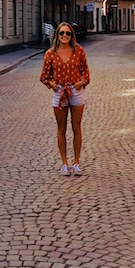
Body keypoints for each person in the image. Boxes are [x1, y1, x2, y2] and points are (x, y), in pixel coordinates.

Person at [40, 22, 90, 176]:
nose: (64, 36)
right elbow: (44, 76)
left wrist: (81, 82)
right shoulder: (50, 53)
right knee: (61, 128)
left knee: (77, 128)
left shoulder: (78, 50)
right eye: (62, 33)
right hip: (59, 92)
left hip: (76, 90)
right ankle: (64, 164)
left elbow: (86, 72)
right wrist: (52, 84)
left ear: (72, 35)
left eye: (68, 33)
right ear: (57, 34)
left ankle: (76, 163)